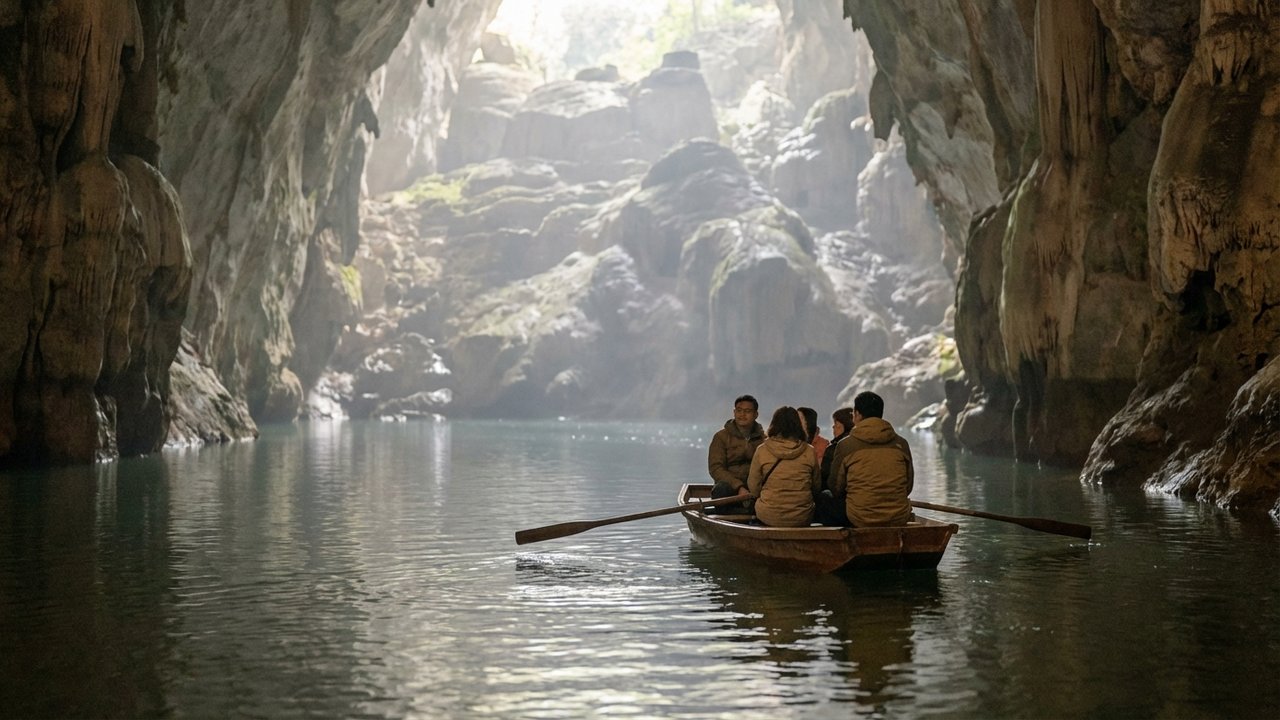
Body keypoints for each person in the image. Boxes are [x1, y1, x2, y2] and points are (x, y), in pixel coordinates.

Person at [827, 391, 914, 527]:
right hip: (898, 516)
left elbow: (835, 488)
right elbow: (908, 486)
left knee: (824, 497)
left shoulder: (845, 445)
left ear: (857, 415)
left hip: (860, 517)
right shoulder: (901, 444)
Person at [747, 406, 821, 527]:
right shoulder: (809, 451)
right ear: (798, 425)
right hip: (802, 517)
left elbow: (754, 487)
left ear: (774, 424)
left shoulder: (762, 450)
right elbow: (816, 486)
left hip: (768, 515)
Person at [707, 394, 765, 510]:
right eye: (739, 410)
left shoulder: (763, 439)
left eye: (747, 411)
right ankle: (724, 520)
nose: (742, 415)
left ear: (756, 415)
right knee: (721, 489)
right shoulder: (721, 437)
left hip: (754, 487)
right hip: (729, 487)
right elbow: (716, 468)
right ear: (734, 412)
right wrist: (739, 487)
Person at [819, 407, 854, 491]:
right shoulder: (864, 444)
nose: (833, 427)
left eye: (835, 424)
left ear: (841, 426)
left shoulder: (833, 449)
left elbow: (826, 479)